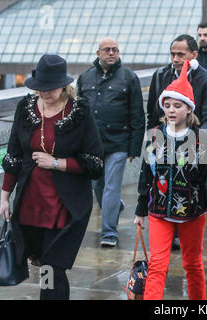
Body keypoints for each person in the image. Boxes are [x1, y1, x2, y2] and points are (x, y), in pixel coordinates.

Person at [0, 54, 104, 300]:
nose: (44, 93)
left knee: (53, 265)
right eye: (40, 88)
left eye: (49, 88)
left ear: (64, 85)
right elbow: (13, 153)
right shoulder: (25, 108)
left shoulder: (79, 111)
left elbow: (95, 163)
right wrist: (5, 196)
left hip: (64, 205)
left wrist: (57, 163)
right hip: (31, 203)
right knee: (46, 265)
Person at [134, 59, 207, 300]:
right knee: (157, 266)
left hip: (192, 213)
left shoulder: (201, 139)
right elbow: (146, 175)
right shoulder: (153, 136)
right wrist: (139, 211)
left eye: (177, 105)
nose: (172, 110)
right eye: (167, 105)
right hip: (158, 211)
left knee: (193, 265)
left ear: (189, 109)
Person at [77, 37, 145, 247]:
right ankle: (116, 205)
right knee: (98, 185)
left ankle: (109, 233)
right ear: (98, 53)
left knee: (111, 187)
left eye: (115, 50)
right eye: (107, 50)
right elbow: (78, 112)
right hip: (93, 144)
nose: (112, 53)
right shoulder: (85, 77)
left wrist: (133, 147)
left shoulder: (128, 77)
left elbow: (137, 115)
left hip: (118, 142)